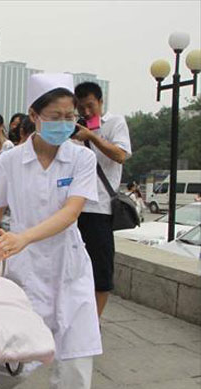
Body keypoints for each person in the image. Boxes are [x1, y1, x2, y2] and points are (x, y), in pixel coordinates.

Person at [0, 73, 102, 389]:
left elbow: (70, 214)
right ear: (33, 115)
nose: (66, 122)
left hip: (70, 268)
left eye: (71, 115)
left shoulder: (81, 156)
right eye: (55, 115)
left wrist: (23, 237)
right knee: (17, 361)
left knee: (77, 363)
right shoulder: (12, 160)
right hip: (26, 272)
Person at [73, 81, 132, 318]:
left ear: (100, 101)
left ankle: (94, 322)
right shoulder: (75, 127)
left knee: (101, 269)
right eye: (81, 108)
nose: (87, 113)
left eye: (90, 106)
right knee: (74, 268)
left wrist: (92, 137)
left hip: (100, 208)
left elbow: (120, 155)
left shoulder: (115, 122)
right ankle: (78, 317)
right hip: (74, 208)